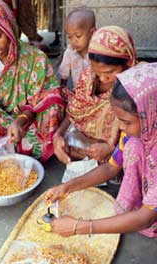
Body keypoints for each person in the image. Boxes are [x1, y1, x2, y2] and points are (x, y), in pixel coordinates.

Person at [45, 62, 157, 238]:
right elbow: (111, 167)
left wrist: (80, 227)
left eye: (126, 122)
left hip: (149, 215)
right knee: (133, 147)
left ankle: (140, 209)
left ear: (152, 114)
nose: (120, 127)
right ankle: (133, 207)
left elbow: (146, 218)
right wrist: (68, 187)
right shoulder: (135, 136)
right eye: (119, 119)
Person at [0, 0, 64, 162]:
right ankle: (16, 144)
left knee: (53, 102)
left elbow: (40, 100)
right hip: (0, 123)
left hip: (29, 120)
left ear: (9, 29)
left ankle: (15, 145)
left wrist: (20, 121)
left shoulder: (34, 58)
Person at [54, 26, 137, 164]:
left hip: (119, 147)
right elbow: (75, 111)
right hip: (86, 143)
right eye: (98, 72)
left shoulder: (136, 87)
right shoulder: (88, 76)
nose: (103, 79)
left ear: (128, 63)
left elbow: (141, 134)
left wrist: (112, 149)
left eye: (109, 72)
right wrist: (58, 135)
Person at [58, 8, 95, 90]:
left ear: (92, 32)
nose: (73, 41)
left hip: (96, 93)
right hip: (78, 94)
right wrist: (63, 93)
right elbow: (64, 78)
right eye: (70, 37)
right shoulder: (69, 53)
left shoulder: (98, 51)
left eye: (78, 36)